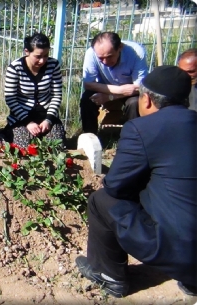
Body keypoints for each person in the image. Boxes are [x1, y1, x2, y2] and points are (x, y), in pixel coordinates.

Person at [75, 66, 197, 298]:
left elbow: (116, 186)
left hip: (183, 253)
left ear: (147, 99)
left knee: (101, 200)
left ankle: (108, 276)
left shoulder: (142, 129)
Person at [3, 33, 65, 148]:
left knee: (56, 146)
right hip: (21, 117)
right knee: (23, 147)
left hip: (46, 114)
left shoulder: (53, 65)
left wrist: (49, 120)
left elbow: (56, 95)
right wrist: (28, 122)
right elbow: (10, 98)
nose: (42, 61)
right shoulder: (15, 68)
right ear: (27, 51)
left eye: (46, 55)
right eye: (38, 56)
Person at [80, 32, 148, 134]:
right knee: (87, 100)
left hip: (130, 93)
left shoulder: (137, 53)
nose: (105, 62)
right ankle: (90, 137)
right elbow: (88, 84)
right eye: (101, 58)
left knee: (134, 103)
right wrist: (119, 90)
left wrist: (110, 97)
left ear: (120, 47)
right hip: (106, 87)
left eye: (110, 56)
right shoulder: (91, 53)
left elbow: (138, 87)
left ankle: (134, 137)